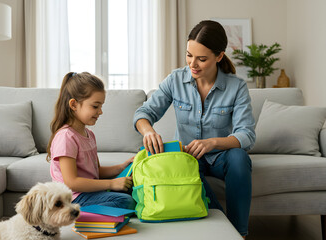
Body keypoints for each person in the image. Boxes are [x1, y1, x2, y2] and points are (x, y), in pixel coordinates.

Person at [133, 20, 255, 238]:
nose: (193, 64)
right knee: (184, 166)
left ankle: (239, 233)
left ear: (219, 56)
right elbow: (143, 114)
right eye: (189, 55)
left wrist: (213, 142)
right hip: (187, 155)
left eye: (202, 59)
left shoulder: (237, 87)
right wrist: (148, 131)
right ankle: (223, 230)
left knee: (239, 159)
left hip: (222, 156)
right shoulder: (175, 80)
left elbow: (246, 134)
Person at [46, 72, 135, 209]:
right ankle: (76, 215)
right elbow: (71, 182)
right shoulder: (66, 137)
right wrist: (111, 184)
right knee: (126, 201)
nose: (100, 112)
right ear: (74, 104)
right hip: (73, 197)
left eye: (101, 106)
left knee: (131, 188)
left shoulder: (89, 135)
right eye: (95, 106)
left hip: (89, 192)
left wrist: (123, 166)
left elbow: (96, 171)